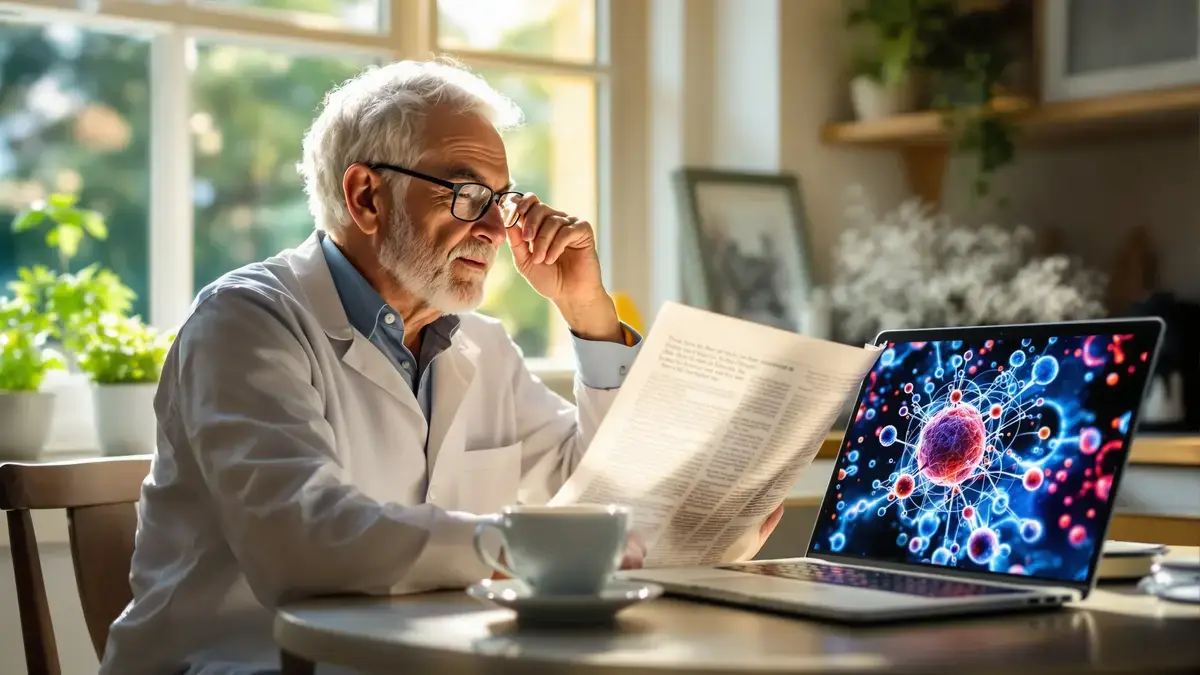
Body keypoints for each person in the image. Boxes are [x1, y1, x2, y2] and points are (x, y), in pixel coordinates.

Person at [98, 60, 783, 675]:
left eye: (501, 201)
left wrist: (587, 312)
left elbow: (599, 490)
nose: (495, 230)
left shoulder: (482, 347)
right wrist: (518, 545)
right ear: (366, 196)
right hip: (239, 661)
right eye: (467, 195)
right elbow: (301, 538)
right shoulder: (246, 321)